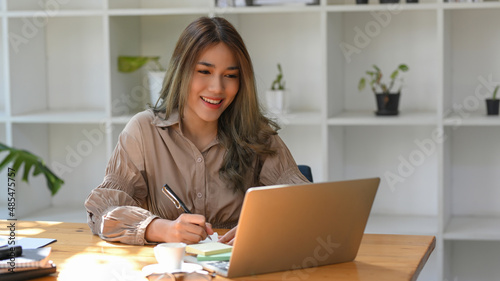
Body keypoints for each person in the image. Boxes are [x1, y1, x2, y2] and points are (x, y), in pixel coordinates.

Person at [84, 16, 309, 246]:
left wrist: (264, 225)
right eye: (204, 71)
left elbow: (307, 204)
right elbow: (102, 210)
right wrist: (160, 228)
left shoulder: (257, 133)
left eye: (230, 75)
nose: (217, 88)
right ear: (181, 72)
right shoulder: (143, 131)